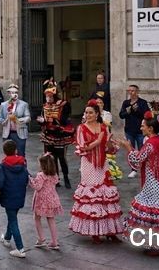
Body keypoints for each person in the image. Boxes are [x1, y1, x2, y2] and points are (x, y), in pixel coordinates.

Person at [117, 112, 159, 256]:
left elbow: (137, 160)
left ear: (150, 128)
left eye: (143, 126)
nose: (141, 128)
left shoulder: (151, 143)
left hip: (153, 181)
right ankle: (156, 243)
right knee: (154, 214)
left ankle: (157, 245)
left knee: (153, 213)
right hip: (157, 180)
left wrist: (128, 147)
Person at [68, 101, 125, 243]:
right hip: (88, 164)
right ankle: (94, 231)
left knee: (105, 194)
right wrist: (98, 141)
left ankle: (110, 230)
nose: (88, 115)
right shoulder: (81, 128)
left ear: (97, 114)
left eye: (91, 112)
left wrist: (109, 141)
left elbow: (110, 149)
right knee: (92, 195)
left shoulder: (103, 127)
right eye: (86, 112)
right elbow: (82, 147)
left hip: (102, 163)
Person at [0, 140, 29, 258]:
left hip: (8, 196)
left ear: (4, 152)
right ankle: (7, 238)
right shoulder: (22, 163)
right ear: (16, 150)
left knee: (13, 221)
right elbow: (26, 178)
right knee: (12, 217)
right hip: (20, 195)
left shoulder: (3, 166)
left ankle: (20, 248)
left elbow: (0, 182)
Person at [37, 85, 74, 188]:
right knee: (51, 158)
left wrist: (54, 121)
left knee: (62, 158)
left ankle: (66, 178)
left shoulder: (63, 105)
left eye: (50, 96)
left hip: (60, 135)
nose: (48, 98)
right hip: (48, 135)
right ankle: (55, 179)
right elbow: (42, 118)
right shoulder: (45, 106)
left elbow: (65, 119)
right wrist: (41, 121)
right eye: (47, 96)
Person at [29, 153, 63, 251]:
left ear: (43, 165)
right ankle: (54, 242)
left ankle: (41, 239)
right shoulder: (54, 174)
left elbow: (37, 187)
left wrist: (31, 181)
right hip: (52, 199)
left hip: (42, 201)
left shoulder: (41, 175)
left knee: (37, 218)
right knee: (51, 219)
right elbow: (55, 182)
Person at [119, 84, 149, 178]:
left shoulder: (143, 102)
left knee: (142, 151)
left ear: (137, 92)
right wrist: (128, 111)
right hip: (129, 130)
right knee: (131, 150)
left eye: (133, 91)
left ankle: (144, 169)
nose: (131, 92)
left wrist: (136, 110)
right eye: (129, 91)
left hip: (140, 131)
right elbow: (121, 115)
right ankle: (133, 169)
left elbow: (146, 115)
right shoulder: (126, 103)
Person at [0, 84, 30, 158]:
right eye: (12, 92)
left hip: (20, 133)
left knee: (21, 154)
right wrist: (6, 119)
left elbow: (28, 118)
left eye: (16, 92)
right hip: (7, 133)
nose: (14, 94)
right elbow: (0, 118)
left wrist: (17, 119)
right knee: (8, 155)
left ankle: (21, 165)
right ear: (9, 93)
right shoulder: (3, 105)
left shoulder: (24, 104)